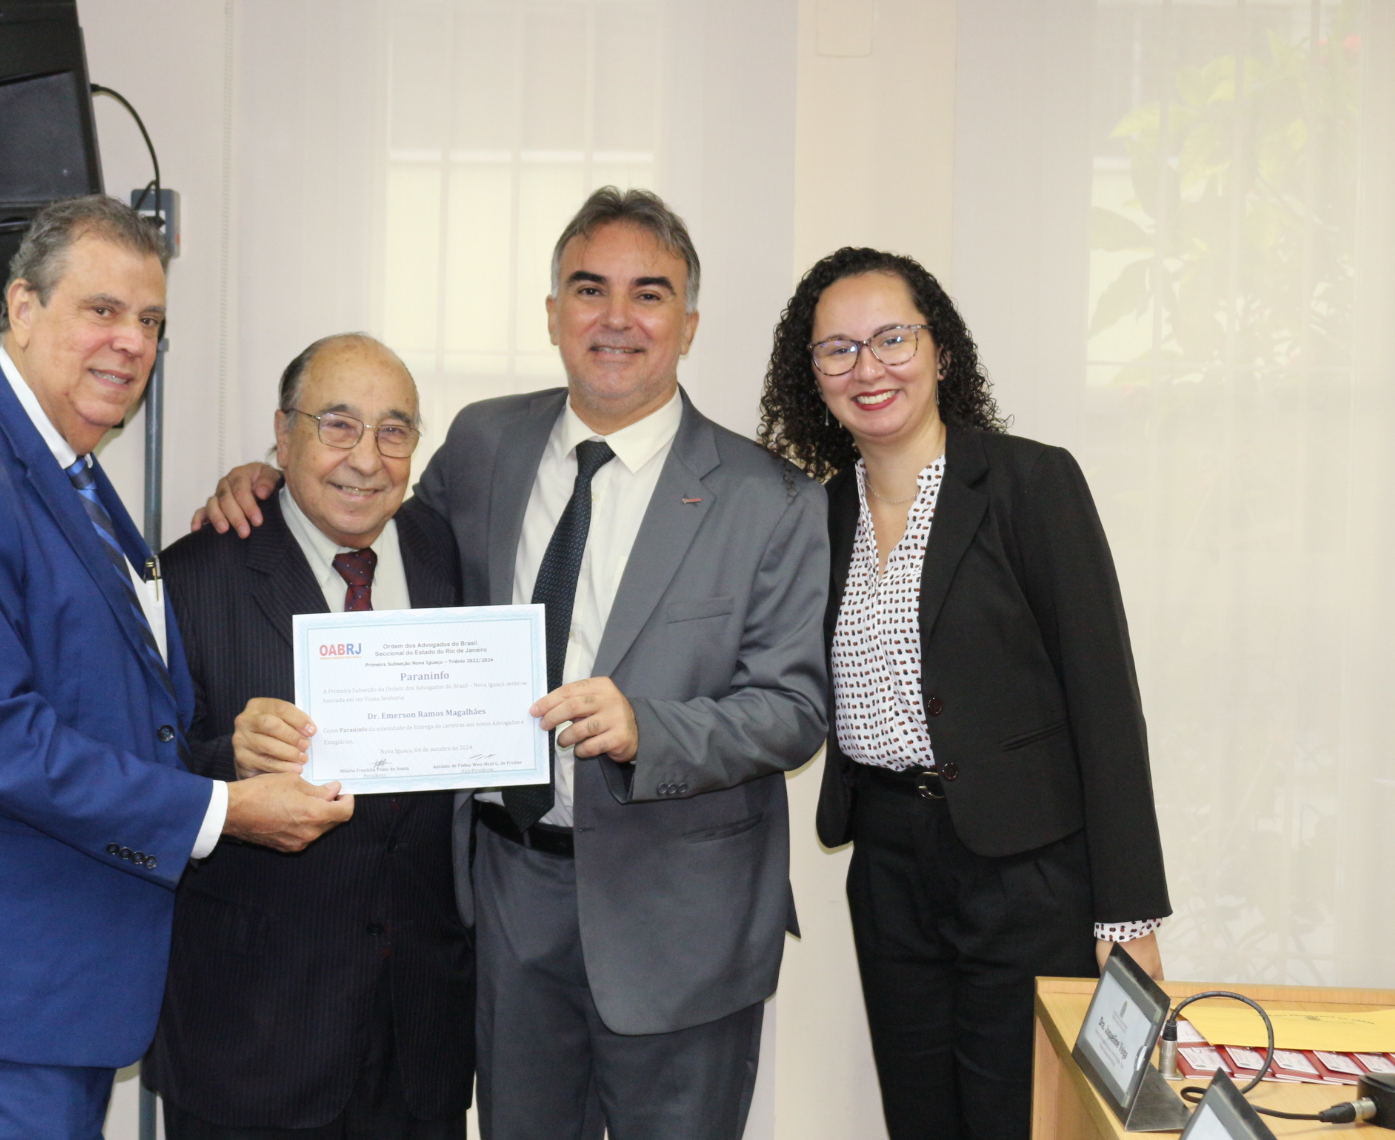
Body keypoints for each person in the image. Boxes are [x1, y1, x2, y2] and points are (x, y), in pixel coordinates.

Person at [195, 188, 830, 1140]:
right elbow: (374, 515)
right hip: (505, 901)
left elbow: (795, 709)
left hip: (680, 919)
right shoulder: (486, 442)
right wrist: (269, 477)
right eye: (590, 289)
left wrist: (649, 728)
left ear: (689, 324)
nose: (616, 318)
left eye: (649, 294)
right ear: (553, 312)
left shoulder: (770, 499)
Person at [0, 195, 353, 1140]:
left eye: (151, 321)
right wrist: (220, 810)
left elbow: (110, 698)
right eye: (103, 310)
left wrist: (226, 757)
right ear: (23, 308)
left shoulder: (66, 466)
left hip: (54, 968)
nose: (131, 342)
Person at [754, 246, 1170, 1140]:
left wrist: (1130, 915)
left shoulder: (1030, 483)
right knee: (920, 1118)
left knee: (1014, 1117)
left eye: (891, 338)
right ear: (812, 375)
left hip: (1025, 869)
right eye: (837, 350)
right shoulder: (816, 515)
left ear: (939, 351)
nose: (868, 368)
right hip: (888, 863)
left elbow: (1106, 703)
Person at [145, 333, 473, 1140]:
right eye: (338, 424)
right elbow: (131, 775)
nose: (365, 458)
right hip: (251, 1042)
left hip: (418, 1041)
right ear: (282, 433)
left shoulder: (450, 556)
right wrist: (228, 762)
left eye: (393, 431)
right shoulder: (188, 578)